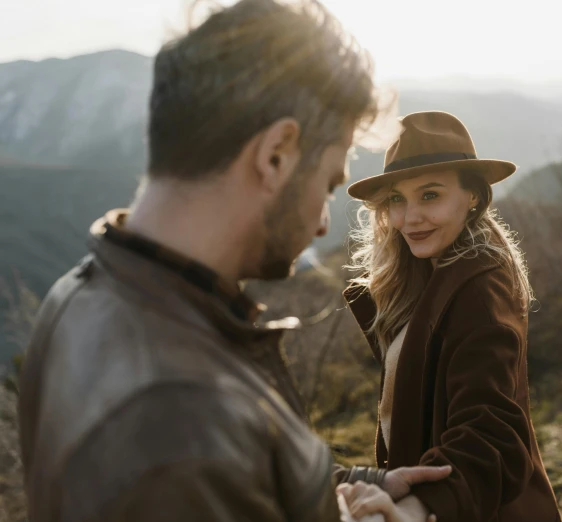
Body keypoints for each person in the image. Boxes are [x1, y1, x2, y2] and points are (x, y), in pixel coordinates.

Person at [16, 2, 450, 521]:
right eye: (330, 184)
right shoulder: (178, 424)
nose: (320, 225)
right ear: (275, 155)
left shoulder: (74, 296)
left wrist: (359, 484)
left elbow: (242, 472)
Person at [337, 111, 562, 522]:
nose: (409, 218)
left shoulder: (479, 287)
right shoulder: (422, 278)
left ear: (473, 196)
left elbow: (492, 429)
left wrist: (420, 507)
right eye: (397, 199)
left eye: (430, 195)